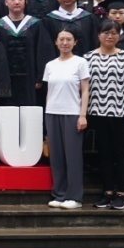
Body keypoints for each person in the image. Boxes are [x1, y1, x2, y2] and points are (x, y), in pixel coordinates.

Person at [84, 21, 124, 209]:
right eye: (106, 32)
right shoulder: (88, 58)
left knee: (121, 153)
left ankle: (121, 193)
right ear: (98, 35)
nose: (110, 36)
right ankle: (107, 191)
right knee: (104, 153)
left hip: (120, 112)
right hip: (97, 112)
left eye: (114, 33)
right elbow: (84, 87)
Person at [43, 29, 90, 210]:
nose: (65, 43)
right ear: (56, 42)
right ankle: (59, 194)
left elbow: (85, 90)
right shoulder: (50, 65)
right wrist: (47, 111)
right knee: (56, 156)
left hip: (72, 113)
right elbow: (49, 91)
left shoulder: (80, 62)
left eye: (68, 39)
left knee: (73, 156)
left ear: (75, 42)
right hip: (52, 112)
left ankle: (74, 196)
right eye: (61, 39)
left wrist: (82, 115)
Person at [0, 0, 52, 107]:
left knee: (29, 114)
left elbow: (42, 51)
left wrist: (39, 77)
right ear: (6, 2)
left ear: (26, 1)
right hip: (5, 81)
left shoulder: (36, 24)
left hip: (30, 81)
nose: (16, 2)